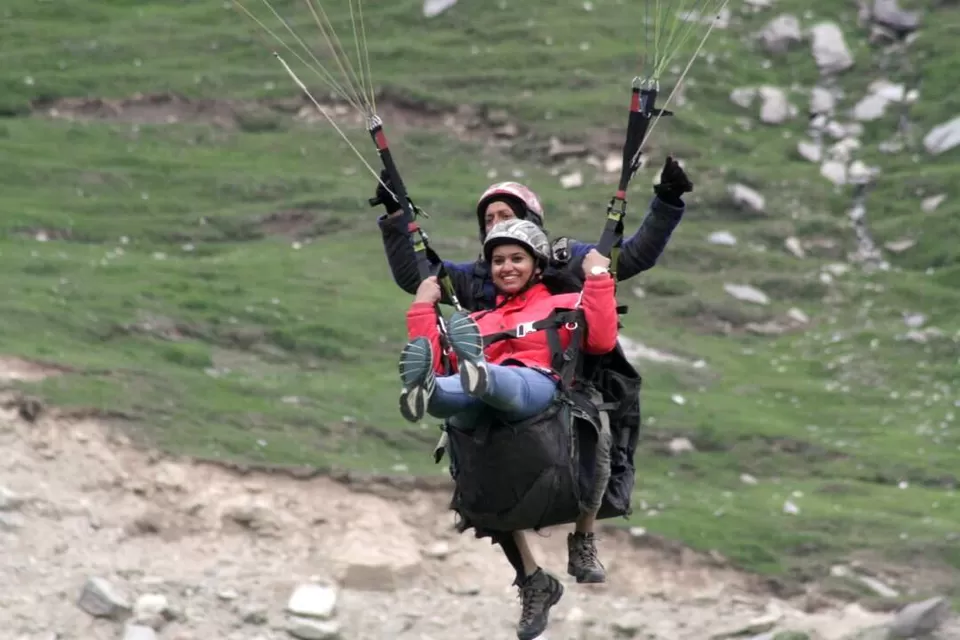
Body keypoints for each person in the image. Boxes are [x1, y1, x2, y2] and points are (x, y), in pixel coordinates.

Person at [398, 218, 619, 640]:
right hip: (480, 405)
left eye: (516, 258)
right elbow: (436, 358)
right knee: (453, 393)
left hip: (540, 390)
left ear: (536, 265)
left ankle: (478, 374)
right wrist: (423, 308)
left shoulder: (564, 302)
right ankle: (426, 393)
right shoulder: (478, 319)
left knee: (496, 385)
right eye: (498, 261)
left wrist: (597, 276)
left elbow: (603, 340)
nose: (506, 267)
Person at [374, 157, 693, 310]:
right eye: (489, 219)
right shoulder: (475, 279)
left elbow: (633, 257)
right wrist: (396, 215)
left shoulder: (567, 261)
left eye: (505, 215)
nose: (496, 224)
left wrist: (667, 202)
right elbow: (416, 278)